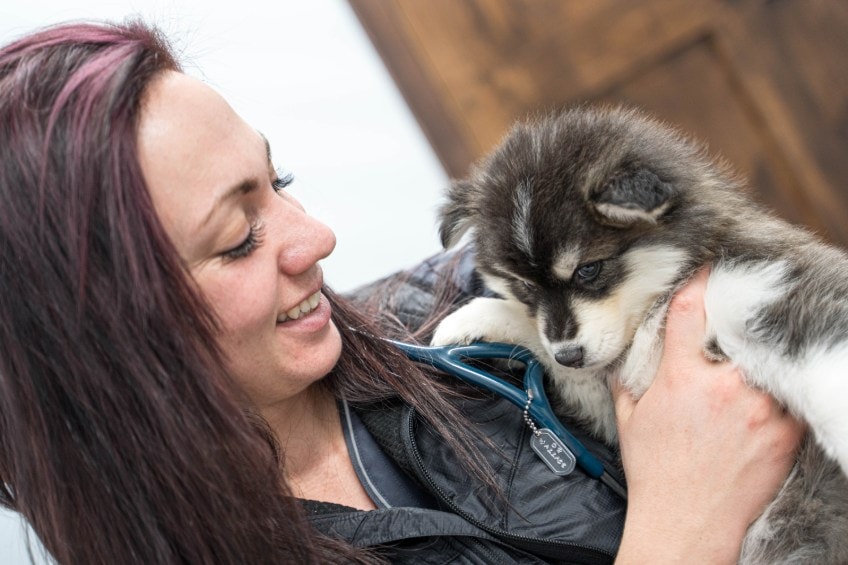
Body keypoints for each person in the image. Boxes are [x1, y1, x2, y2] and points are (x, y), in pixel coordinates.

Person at [0, 20, 803, 564]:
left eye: (278, 180)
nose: (315, 238)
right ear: (104, 340)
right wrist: (679, 527)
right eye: (238, 237)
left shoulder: (471, 313)